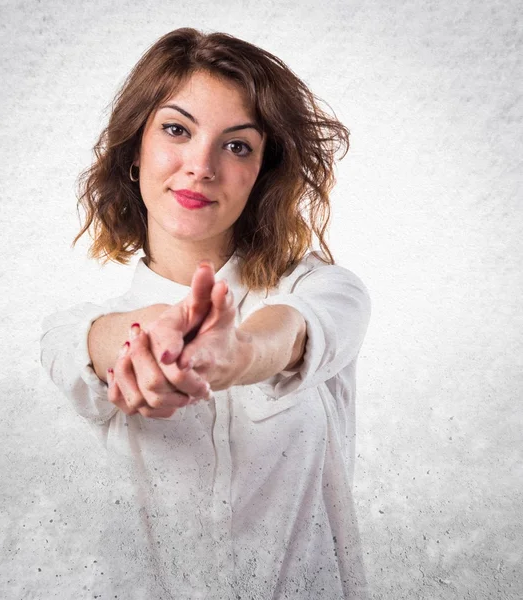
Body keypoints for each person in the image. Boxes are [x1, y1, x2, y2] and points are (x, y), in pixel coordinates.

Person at [40, 27, 372, 599]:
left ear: (262, 173)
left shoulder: (327, 287)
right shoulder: (73, 329)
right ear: (133, 150)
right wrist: (141, 345)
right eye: (176, 130)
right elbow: (88, 345)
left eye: (237, 144)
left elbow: (290, 330)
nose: (201, 165)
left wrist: (238, 353)